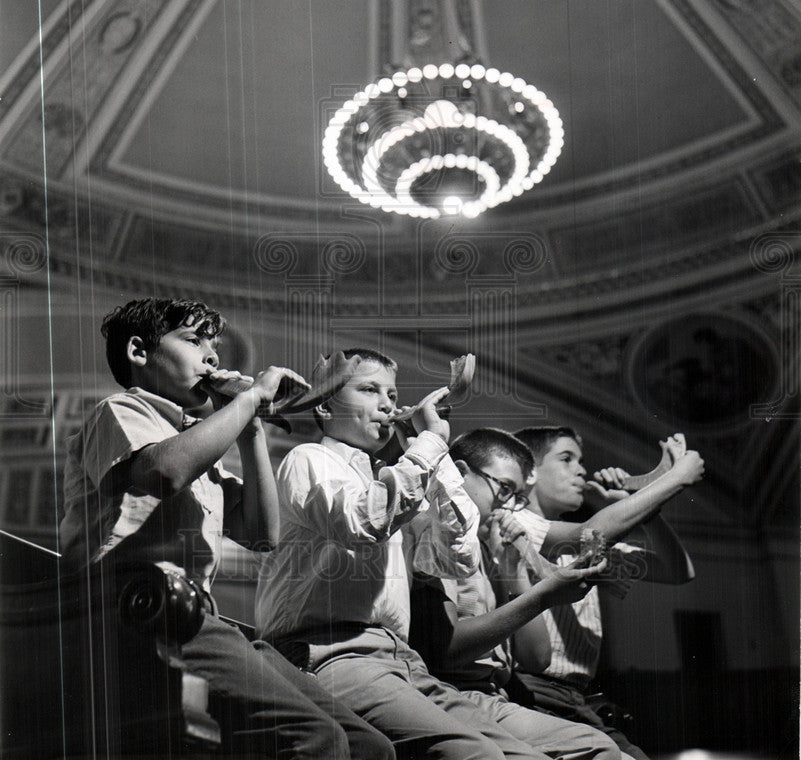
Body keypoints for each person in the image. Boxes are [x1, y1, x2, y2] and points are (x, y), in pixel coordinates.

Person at [59, 298, 395, 760]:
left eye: (214, 346)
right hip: (131, 607)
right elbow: (164, 472)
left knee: (368, 746)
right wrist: (250, 399)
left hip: (195, 616)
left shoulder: (203, 443)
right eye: (194, 341)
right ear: (139, 351)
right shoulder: (122, 409)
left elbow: (262, 534)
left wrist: (251, 426)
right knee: (318, 740)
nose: (212, 357)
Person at [255, 348, 620, 760]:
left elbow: (454, 557)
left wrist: (433, 450)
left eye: (392, 395)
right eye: (369, 389)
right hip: (329, 652)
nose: (387, 404)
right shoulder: (310, 459)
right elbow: (363, 524)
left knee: (578, 751)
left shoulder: (389, 481)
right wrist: (428, 444)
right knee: (472, 753)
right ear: (324, 405)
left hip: (401, 659)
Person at [407, 428, 622, 760]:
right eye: (504, 488)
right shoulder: (439, 533)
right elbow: (445, 650)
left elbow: (538, 657)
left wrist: (514, 571)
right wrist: (544, 596)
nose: (508, 506)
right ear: (461, 474)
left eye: (517, 497)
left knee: (607, 751)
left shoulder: (487, 547)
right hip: (455, 692)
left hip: (495, 694)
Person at [502, 426, 703, 760]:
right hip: (532, 692)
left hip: (576, 697)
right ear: (530, 471)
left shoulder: (590, 548)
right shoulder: (517, 522)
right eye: (566, 459)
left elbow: (678, 572)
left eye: (581, 460)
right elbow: (588, 531)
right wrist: (670, 481)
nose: (581, 469)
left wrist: (645, 511)